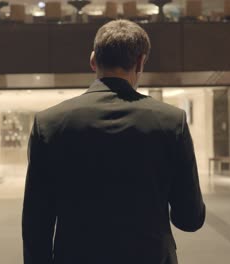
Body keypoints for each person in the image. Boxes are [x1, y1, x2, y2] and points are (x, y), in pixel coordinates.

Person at [22, 20, 206, 264]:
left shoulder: (49, 123)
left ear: (93, 60)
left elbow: (36, 224)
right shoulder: (171, 121)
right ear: (141, 62)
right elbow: (189, 219)